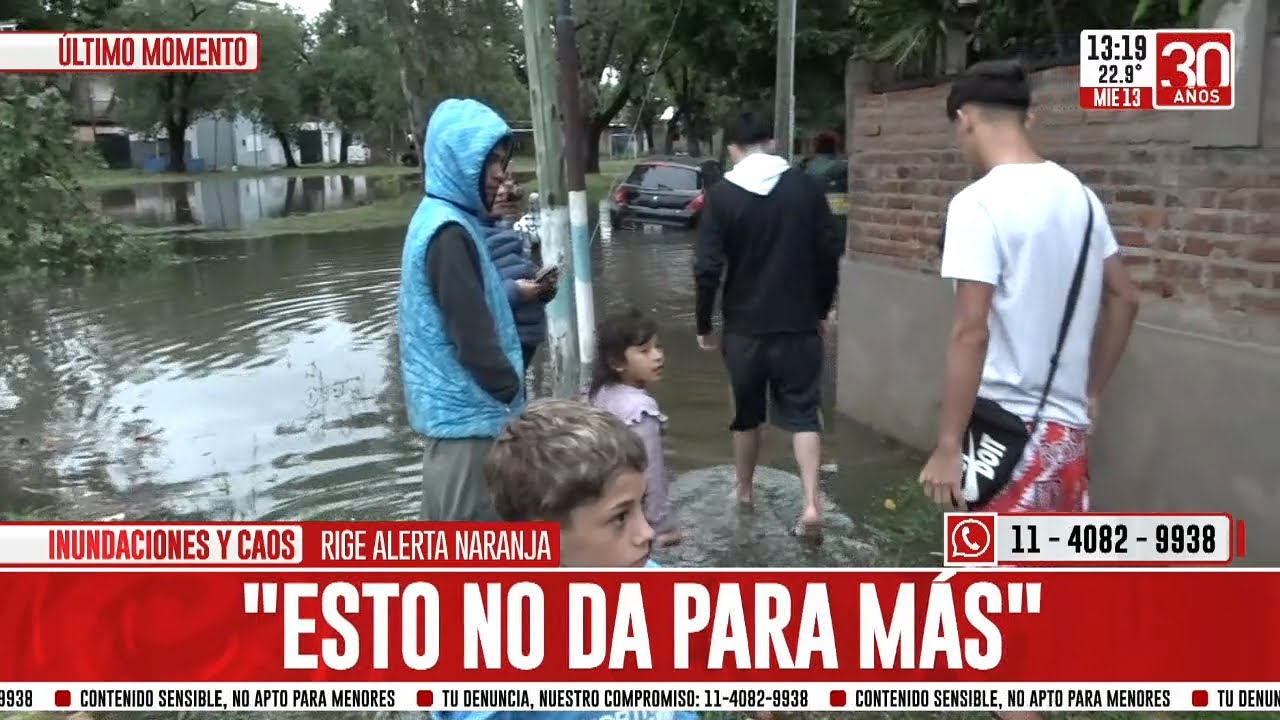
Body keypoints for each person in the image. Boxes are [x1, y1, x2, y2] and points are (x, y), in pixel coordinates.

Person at [918, 59, 1140, 516]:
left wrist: (947, 444)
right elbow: (1125, 297)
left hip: (1005, 438)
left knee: (998, 584)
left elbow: (971, 331)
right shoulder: (1081, 197)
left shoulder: (977, 204)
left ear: (965, 119)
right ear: (1026, 118)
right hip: (1066, 441)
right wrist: (1091, 389)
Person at [693, 110, 843, 540]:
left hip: (743, 330)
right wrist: (820, 309)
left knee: (746, 416)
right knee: (803, 415)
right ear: (772, 144)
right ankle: (812, 503)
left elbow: (706, 267)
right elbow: (828, 251)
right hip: (798, 325)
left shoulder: (722, 196)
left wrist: (705, 323)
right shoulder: (806, 187)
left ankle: (743, 491)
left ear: (733, 151)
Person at [397, 97, 526, 522]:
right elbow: (472, 338)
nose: (500, 175)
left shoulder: (446, 218)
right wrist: (515, 400)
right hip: (469, 430)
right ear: (457, 161)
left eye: (501, 162)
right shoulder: (448, 233)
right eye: (489, 163)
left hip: (459, 427)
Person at [586, 308, 680, 547]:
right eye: (645, 351)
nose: (658, 356)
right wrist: (662, 526)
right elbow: (652, 472)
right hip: (630, 510)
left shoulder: (597, 393)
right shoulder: (641, 409)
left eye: (658, 347)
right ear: (617, 362)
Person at [486, 180, 556, 368]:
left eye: (505, 185)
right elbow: (469, 301)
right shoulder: (465, 236)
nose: (503, 192)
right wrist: (516, 291)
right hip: (505, 342)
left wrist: (541, 286)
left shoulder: (507, 229)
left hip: (525, 339)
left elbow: (517, 268)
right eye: (495, 185)